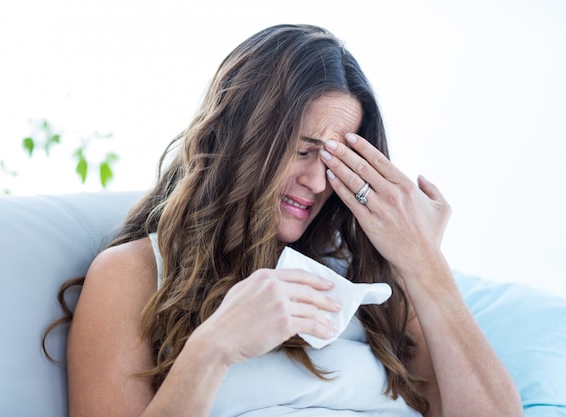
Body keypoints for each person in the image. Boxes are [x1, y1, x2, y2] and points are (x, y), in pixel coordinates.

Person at [44, 24, 522, 417]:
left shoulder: (371, 281)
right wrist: (214, 348)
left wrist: (425, 263)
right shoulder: (134, 274)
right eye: (302, 151)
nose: (318, 181)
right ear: (240, 139)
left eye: (336, 162)